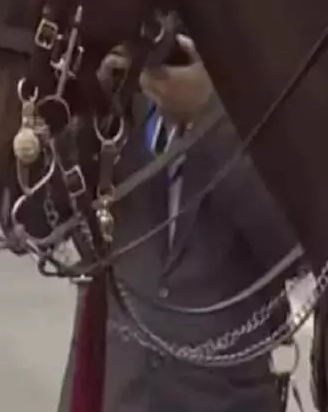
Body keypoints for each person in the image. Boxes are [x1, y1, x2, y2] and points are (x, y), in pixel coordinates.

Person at [58, 35, 305, 412]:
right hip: (116, 392)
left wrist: (208, 117)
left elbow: (293, 248)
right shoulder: (123, 96)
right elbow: (60, 228)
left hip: (224, 398)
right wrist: (86, 115)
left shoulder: (270, 90)